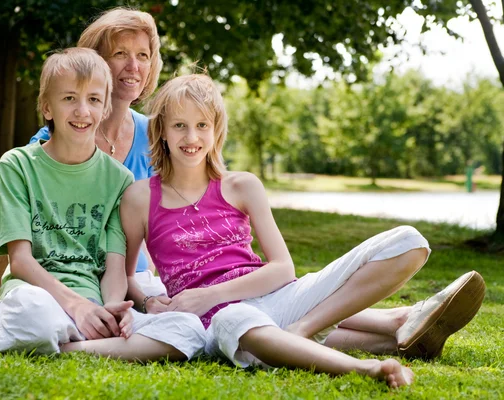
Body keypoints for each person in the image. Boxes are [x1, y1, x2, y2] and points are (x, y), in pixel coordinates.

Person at [120, 74, 486, 387]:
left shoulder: (241, 185)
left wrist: (209, 294)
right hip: (216, 321)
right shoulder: (140, 197)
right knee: (234, 318)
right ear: (161, 131)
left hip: (276, 296)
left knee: (410, 241)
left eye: (202, 125)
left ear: (217, 131)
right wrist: (149, 301)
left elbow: (282, 269)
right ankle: (392, 335)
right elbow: (128, 276)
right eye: (179, 125)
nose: (191, 136)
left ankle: (305, 330)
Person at [0, 48, 205, 360]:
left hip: (91, 306)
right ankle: (16, 329)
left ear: (104, 109)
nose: (82, 111)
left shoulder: (120, 180)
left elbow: (115, 266)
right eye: (69, 98)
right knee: (35, 315)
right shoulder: (18, 165)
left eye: (93, 100)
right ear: (47, 107)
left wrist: (110, 309)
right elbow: (20, 261)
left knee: (187, 330)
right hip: (35, 295)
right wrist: (76, 306)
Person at [0, 7, 166, 315]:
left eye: (143, 56)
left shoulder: (154, 137)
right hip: (61, 278)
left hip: (128, 281)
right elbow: (22, 227)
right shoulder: (51, 139)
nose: (133, 66)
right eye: (120, 53)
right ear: (95, 62)